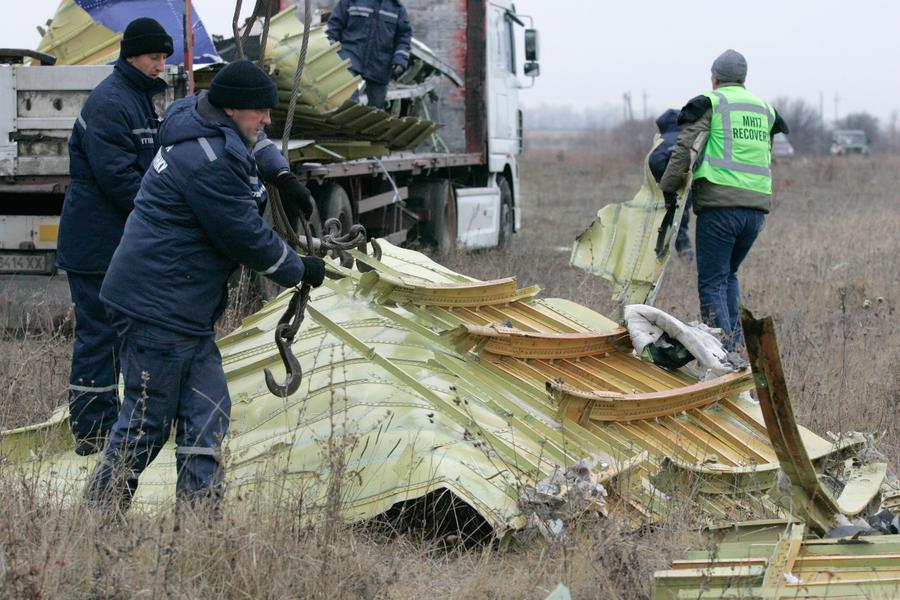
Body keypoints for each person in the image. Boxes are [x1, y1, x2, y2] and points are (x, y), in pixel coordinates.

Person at [84, 59, 326, 515]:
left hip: (183, 311)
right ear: (234, 109)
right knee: (145, 424)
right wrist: (299, 270)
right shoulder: (208, 163)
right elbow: (245, 237)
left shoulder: (199, 114)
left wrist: (281, 174)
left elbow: (254, 141)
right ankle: (95, 520)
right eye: (261, 111)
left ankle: (198, 527)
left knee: (207, 415)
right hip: (157, 306)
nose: (268, 120)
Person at [56, 18, 174, 456]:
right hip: (97, 244)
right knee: (97, 338)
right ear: (130, 56)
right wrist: (166, 213)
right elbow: (118, 178)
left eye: (164, 57)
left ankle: (111, 425)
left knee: (117, 337)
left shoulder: (141, 100)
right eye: (153, 57)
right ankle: (92, 434)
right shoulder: (111, 103)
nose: (161, 65)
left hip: (120, 244)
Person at [659, 49, 788, 351]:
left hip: (720, 209)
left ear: (714, 78)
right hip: (755, 212)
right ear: (743, 79)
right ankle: (735, 347)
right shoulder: (765, 110)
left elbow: (683, 151)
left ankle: (722, 354)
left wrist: (667, 188)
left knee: (711, 282)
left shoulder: (711, 103)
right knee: (728, 275)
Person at [326, 0, 412, 109]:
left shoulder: (397, 8)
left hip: (380, 63)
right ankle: (351, 118)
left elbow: (404, 37)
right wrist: (331, 51)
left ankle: (371, 123)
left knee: (377, 106)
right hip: (351, 54)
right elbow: (334, 26)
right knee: (348, 95)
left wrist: (400, 59)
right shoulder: (350, 2)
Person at [648, 108, 693, 260]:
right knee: (681, 222)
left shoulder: (662, 141)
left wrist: (664, 179)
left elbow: (655, 162)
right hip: (687, 191)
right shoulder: (689, 138)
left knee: (662, 222)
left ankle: (657, 253)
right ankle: (685, 251)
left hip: (666, 191)